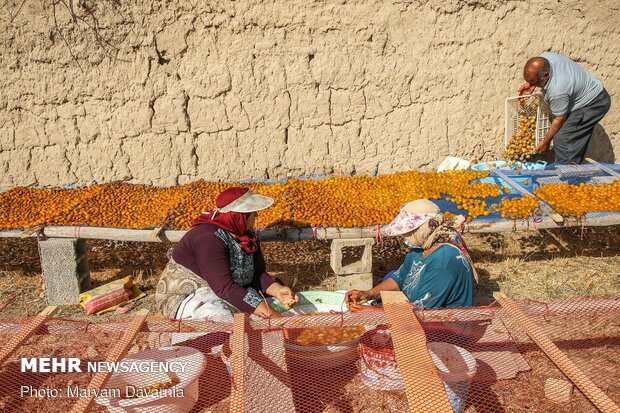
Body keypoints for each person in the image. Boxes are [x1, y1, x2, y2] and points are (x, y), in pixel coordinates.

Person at [155, 187, 298, 320]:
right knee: (223, 320)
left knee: (261, 312)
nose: (257, 215)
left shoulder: (246, 236)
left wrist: (277, 290)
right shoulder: (208, 237)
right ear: (239, 216)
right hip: (190, 296)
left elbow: (257, 275)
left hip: (227, 290)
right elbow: (225, 287)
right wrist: (273, 317)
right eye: (252, 213)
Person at [345, 199, 475, 310]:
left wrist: (372, 313)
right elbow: (399, 277)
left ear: (423, 229)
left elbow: (420, 312)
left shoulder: (444, 262)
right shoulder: (421, 249)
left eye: (409, 232)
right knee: (389, 276)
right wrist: (370, 293)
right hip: (417, 316)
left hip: (446, 329)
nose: (404, 236)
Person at [518, 51, 611, 164]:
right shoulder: (545, 57)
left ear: (546, 75)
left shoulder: (557, 90)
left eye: (535, 82)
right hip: (584, 95)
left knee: (563, 139)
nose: (533, 85)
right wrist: (532, 83)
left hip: (594, 103)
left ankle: (566, 178)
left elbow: (560, 118)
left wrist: (546, 141)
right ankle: (573, 168)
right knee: (569, 137)